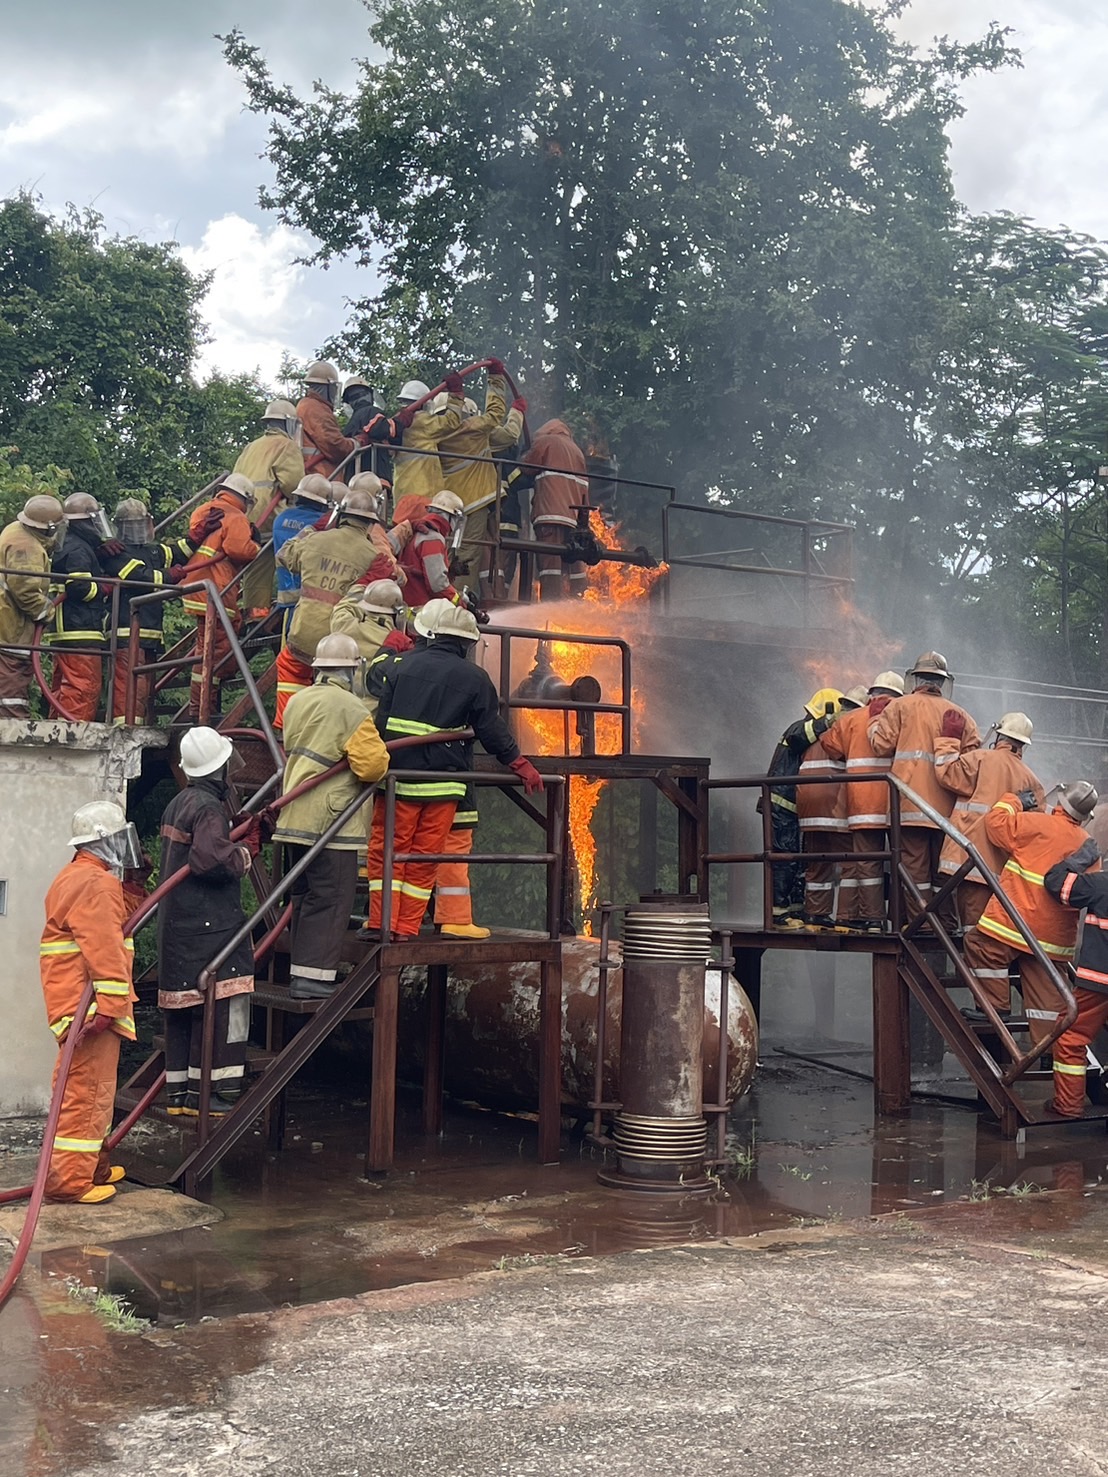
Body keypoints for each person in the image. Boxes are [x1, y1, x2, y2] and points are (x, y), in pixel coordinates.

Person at [364, 604, 544, 940]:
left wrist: (390, 646)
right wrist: (519, 763)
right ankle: (406, 928)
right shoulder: (475, 678)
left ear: (429, 633)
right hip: (444, 788)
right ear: (466, 642)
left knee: (388, 852)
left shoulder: (401, 665)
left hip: (398, 781)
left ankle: (382, 923)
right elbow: (492, 730)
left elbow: (373, 679)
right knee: (426, 857)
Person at [273, 634, 389, 999]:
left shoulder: (298, 700)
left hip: (294, 814)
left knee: (305, 897)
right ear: (352, 670)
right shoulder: (351, 708)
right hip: (330, 822)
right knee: (332, 898)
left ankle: (301, 972)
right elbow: (372, 766)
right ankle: (314, 979)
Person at [157, 727, 262, 1114]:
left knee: (185, 1011)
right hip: (210, 927)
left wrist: (235, 829)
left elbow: (199, 847)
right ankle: (218, 1091)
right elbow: (210, 859)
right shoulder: (207, 808)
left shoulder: (179, 803)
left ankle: (181, 1094)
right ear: (219, 769)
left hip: (179, 927)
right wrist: (246, 849)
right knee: (226, 1004)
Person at [39, 801, 139, 1203]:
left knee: (94, 1092)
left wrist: (134, 887)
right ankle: (69, 1183)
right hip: (91, 1008)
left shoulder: (79, 877)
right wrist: (111, 1005)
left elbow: (115, 921)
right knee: (85, 1094)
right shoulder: (95, 884)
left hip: (82, 1004)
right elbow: (104, 947)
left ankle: (92, 1168)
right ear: (103, 841)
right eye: (118, 839)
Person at [962, 783, 1098, 1045]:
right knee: (1048, 996)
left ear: (1060, 802)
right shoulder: (1088, 848)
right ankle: (1048, 1051)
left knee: (979, 946)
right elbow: (1085, 893)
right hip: (1053, 939)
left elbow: (995, 824)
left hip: (1012, 925)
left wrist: (1014, 801)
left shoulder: (1034, 823)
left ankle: (994, 1007)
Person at [869, 652, 980, 924]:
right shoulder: (961, 716)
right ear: (942, 682)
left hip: (908, 807)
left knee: (914, 872)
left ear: (915, 678)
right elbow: (972, 767)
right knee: (943, 872)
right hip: (947, 814)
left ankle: (921, 925)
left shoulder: (899, 707)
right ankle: (947, 924)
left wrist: (873, 721)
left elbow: (880, 746)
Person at [274, 484, 388, 730]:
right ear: (371, 523)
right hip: (340, 646)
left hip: (302, 635)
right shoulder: (372, 556)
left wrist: (311, 529)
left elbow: (284, 555)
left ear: (340, 515)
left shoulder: (315, 539)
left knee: (290, 670)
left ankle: (285, 731)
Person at [935, 712, 1044, 931]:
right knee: (983, 928)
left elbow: (946, 773)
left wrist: (948, 740)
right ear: (1023, 745)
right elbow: (1034, 829)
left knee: (970, 931)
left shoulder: (980, 759)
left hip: (964, 856)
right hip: (999, 868)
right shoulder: (1032, 782)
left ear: (999, 736)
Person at [102, 498, 205, 723]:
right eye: (133, 526)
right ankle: (126, 729)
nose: (138, 531)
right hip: (126, 630)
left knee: (145, 687)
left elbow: (176, 552)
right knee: (130, 686)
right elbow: (141, 578)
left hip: (150, 631)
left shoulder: (151, 551)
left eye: (140, 525)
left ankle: (140, 726)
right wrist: (170, 576)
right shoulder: (115, 554)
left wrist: (197, 536)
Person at [819, 671, 905, 933]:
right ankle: (905, 919)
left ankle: (873, 919)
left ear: (871, 694)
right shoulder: (906, 716)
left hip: (862, 804)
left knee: (868, 862)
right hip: (901, 806)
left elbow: (830, 746)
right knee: (907, 862)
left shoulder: (852, 719)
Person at [177, 472, 260, 718]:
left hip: (197, 588)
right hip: (217, 590)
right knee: (215, 652)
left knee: (212, 644)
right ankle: (202, 709)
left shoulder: (204, 511)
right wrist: (255, 544)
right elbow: (239, 549)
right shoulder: (236, 517)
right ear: (245, 499)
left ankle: (203, 704)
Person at [763, 689, 843, 928]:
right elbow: (798, 737)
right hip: (781, 806)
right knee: (784, 858)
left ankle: (796, 910)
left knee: (798, 860)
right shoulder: (798, 728)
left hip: (796, 808)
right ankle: (777, 914)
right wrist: (827, 722)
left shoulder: (813, 734)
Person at [1043, 834, 1108, 1116]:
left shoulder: (1101, 884)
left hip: (1100, 983)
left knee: (1070, 1034)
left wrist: (1079, 860)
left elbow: (1057, 883)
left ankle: (1068, 1105)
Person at [437, 361, 510, 594]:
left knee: (445, 552)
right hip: (475, 502)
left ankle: (437, 599)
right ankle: (457, 604)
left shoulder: (434, 433)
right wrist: (496, 377)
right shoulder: (473, 429)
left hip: (446, 503)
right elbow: (496, 414)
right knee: (467, 555)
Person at [233, 398, 306, 619]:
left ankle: (254, 614)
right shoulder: (287, 446)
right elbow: (294, 485)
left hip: (246, 517)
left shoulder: (250, 447)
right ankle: (292, 609)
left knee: (256, 568)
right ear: (289, 423)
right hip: (272, 518)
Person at [797, 688, 863, 930]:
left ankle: (815, 915)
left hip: (808, 809)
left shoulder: (818, 731)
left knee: (818, 862)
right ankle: (847, 917)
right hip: (835, 807)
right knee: (851, 862)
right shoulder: (851, 728)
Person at [49, 493, 119, 721]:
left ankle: (58, 730)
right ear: (87, 521)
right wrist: (105, 587)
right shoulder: (78, 549)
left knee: (62, 689)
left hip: (65, 629)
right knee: (83, 687)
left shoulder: (68, 544)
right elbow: (80, 588)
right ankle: (73, 734)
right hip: (79, 627)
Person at [0, 494, 63, 718]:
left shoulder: (15, 530)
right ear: (48, 528)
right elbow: (25, 592)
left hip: (7, 625)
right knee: (11, 687)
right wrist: (47, 612)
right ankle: (13, 725)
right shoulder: (26, 548)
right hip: (10, 630)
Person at [525, 418, 591, 600]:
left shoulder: (545, 442)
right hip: (574, 521)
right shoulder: (577, 451)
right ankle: (580, 605)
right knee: (576, 565)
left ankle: (551, 607)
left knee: (550, 567)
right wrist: (584, 524)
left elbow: (527, 467)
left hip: (549, 516)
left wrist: (524, 453)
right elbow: (584, 489)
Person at [272, 473, 333, 636]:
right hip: (309, 600)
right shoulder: (322, 524)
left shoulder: (281, 519)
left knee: (288, 641)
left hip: (286, 598)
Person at [391, 376, 465, 501]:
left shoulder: (398, 422)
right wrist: (456, 395)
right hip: (423, 493)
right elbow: (451, 422)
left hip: (402, 492)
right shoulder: (422, 421)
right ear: (424, 404)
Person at [396, 490, 465, 612]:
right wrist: (460, 602)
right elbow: (437, 584)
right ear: (451, 517)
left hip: (409, 605)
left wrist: (450, 573)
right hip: (422, 609)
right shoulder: (432, 538)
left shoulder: (418, 531)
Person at [297, 361, 359, 482]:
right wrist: (356, 443)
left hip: (311, 478)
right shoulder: (316, 409)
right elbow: (335, 446)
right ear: (329, 387)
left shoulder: (305, 405)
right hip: (321, 477)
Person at [331, 577, 405, 678]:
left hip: (343, 687)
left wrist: (361, 586)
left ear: (365, 608)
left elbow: (343, 607)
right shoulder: (398, 642)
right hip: (375, 688)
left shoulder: (346, 626)